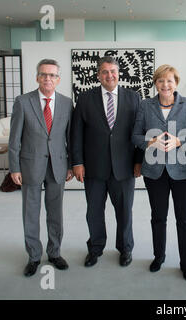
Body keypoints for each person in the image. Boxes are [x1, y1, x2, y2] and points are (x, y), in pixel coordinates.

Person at [70, 56, 143, 268]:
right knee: (93, 212)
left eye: (113, 71)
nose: (109, 75)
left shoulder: (134, 98)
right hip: (94, 168)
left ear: (119, 73)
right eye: (104, 71)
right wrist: (77, 162)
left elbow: (140, 132)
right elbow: (77, 133)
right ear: (98, 74)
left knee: (125, 213)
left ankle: (125, 248)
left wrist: (139, 161)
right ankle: (95, 248)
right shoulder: (84, 98)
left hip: (124, 167)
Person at [132, 64, 186, 281]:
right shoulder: (146, 105)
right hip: (154, 171)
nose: (165, 85)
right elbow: (135, 136)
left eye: (169, 80)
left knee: (185, 219)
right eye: (161, 81)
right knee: (158, 217)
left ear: (176, 83)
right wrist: (149, 141)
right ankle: (159, 256)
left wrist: (180, 140)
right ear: (156, 83)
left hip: (182, 171)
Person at [9, 59, 73, 277]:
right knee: (31, 213)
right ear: (37, 77)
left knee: (55, 213)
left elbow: (70, 137)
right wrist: (14, 167)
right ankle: (34, 256)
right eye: (44, 74)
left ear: (58, 79)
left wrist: (71, 164)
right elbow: (14, 138)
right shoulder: (22, 102)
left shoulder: (66, 103)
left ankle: (54, 252)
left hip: (58, 166)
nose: (48, 78)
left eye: (52, 75)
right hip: (29, 166)